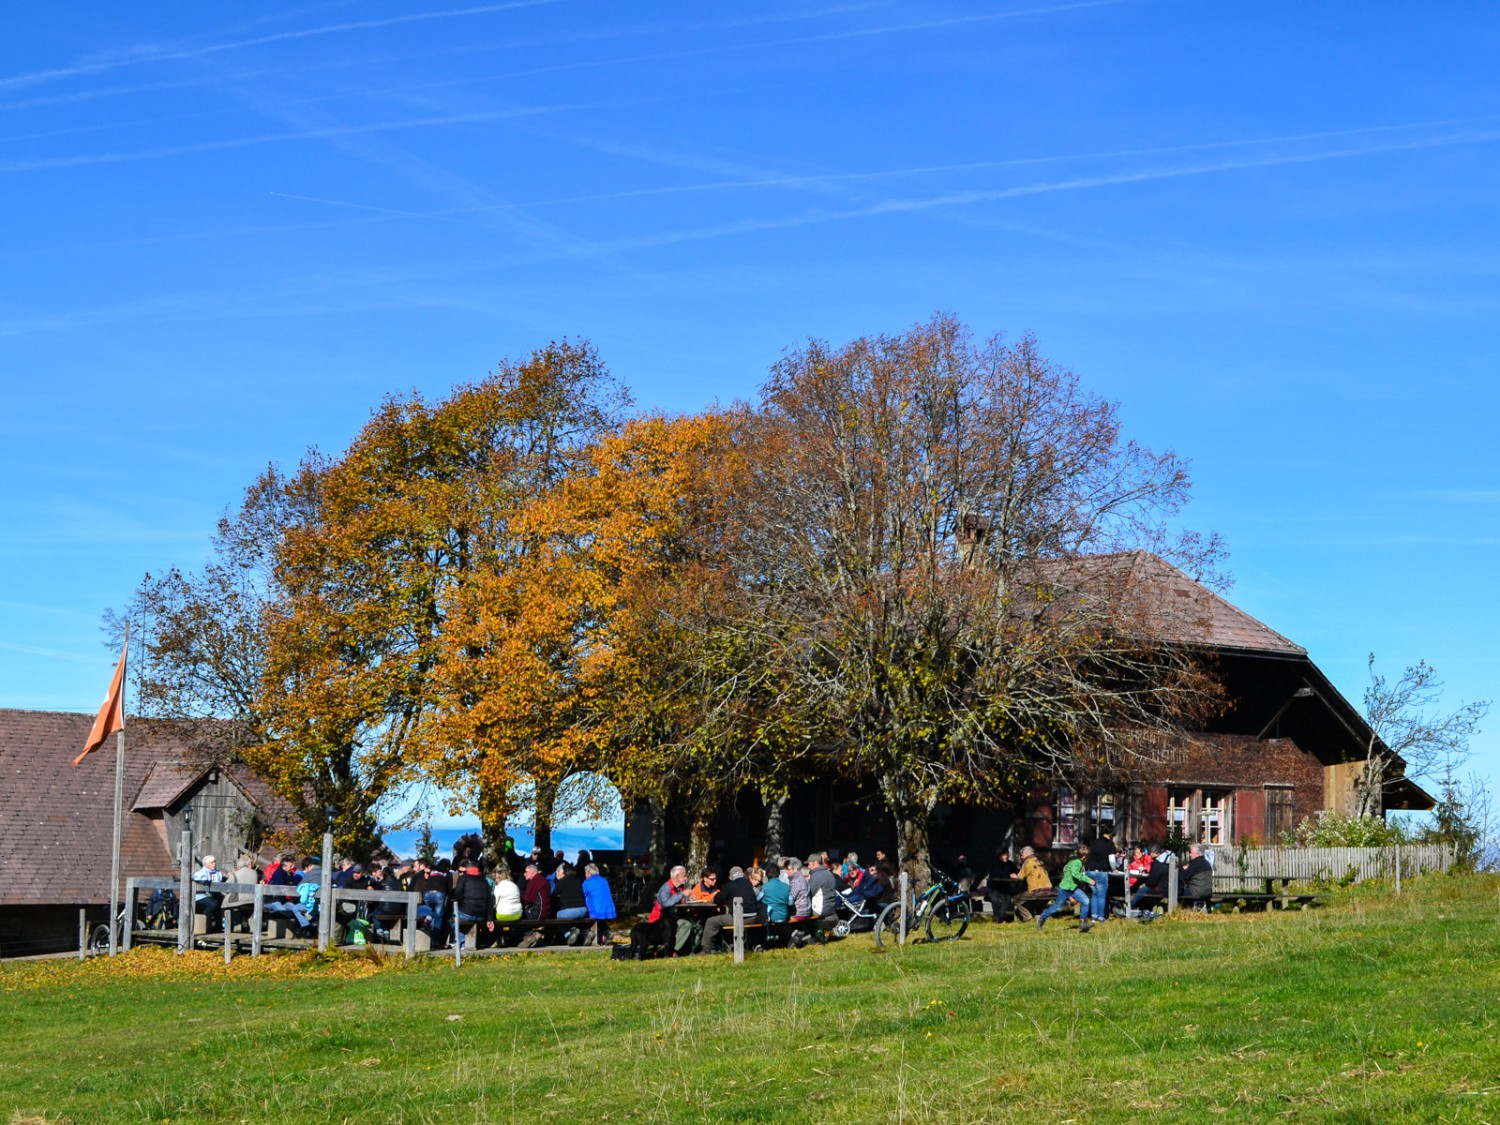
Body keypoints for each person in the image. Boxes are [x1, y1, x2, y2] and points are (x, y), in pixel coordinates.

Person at [701, 865, 762, 953]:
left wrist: (715, 897)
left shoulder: (729, 886)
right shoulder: (748, 884)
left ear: (731, 877)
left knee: (711, 921)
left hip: (739, 918)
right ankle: (753, 945)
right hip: (753, 918)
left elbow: (718, 899)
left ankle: (707, 948)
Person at [1035, 845, 1095, 932]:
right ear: (1084, 857)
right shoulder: (1077, 862)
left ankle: (1083, 921)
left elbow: (1065, 869)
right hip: (1065, 888)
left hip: (1073, 888)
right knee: (1057, 906)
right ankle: (1042, 918)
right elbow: (1075, 874)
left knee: (1086, 900)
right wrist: (1089, 880)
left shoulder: (1072, 860)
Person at [646, 864, 694, 955]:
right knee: (686, 924)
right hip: (660, 919)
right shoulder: (665, 888)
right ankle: (673, 950)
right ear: (676, 876)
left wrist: (689, 899)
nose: (686, 878)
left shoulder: (679, 888)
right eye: (684, 875)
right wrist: (682, 894)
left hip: (672, 918)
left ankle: (677, 949)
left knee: (690, 923)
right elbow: (666, 903)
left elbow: (679, 901)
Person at [452, 861, 494, 946]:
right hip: (481, 916)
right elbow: (490, 901)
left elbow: (457, 895)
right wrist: (490, 918)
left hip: (467, 913)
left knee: (453, 917)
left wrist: (460, 904)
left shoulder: (463, 878)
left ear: (467, 869)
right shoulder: (484, 881)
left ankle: (461, 940)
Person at [1084, 830, 1117, 923]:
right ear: (1110, 834)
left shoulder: (1094, 842)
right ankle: (1101, 917)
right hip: (1101, 871)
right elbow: (1112, 860)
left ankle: (1094, 916)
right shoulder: (1109, 843)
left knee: (1095, 894)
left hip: (1089, 870)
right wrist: (1114, 868)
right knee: (1101, 896)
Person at [552, 863, 589, 945]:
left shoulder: (561, 882)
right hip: (583, 910)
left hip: (571, 911)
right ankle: (584, 933)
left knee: (557, 916)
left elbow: (553, 897)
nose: (556, 875)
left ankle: (569, 934)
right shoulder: (577, 880)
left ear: (561, 872)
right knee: (572, 918)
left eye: (557, 873)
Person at [581, 862, 617, 945]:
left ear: (589, 873)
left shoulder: (587, 883)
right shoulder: (604, 881)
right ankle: (607, 931)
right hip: (609, 909)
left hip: (596, 910)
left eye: (585, 873)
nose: (585, 875)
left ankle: (587, 933)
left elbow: (581, 895)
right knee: (599, 918)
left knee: (583, 913)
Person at [192, 854, 226, 933]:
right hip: (200, 895)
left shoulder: (218, 873)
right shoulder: (200, 873)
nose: (214, 863)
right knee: (213, 904)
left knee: (220, 903)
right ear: (206, 864)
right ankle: (205, 920)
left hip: (214, 894)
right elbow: (196, 879)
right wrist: (205, 882)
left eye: (214, 862)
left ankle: (218, 927)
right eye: (212, 862)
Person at [984, 847, 1019, 922]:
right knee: (995, 899)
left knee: (1006, 899)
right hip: (994, 888)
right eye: (1003, 855)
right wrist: (1009, 875)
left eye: (1007, 855)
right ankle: (998, 918)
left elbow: (1017, 872)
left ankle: (998, 918)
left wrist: (1016, 874)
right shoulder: (995, 865)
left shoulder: (1011, 864)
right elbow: (996, 874)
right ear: (999, 856)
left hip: (1005, 889)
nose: (1006, 857)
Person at [805, 854, 839, 919]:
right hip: (830, 908)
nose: (808, 867)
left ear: (815, 863)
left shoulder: (817, 875)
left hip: (819, 910)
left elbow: (808, 893)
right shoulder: (829, 873)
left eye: (809, 864)